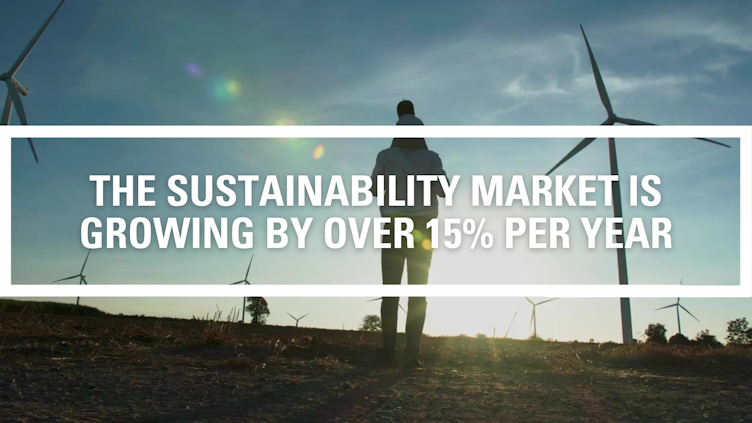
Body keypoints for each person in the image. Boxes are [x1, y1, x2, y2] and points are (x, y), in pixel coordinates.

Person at [370, 100, 446, 368]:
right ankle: (412, 355)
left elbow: (375, 188)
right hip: (423, 229)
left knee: (390, 291)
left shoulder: (385, 156)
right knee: (418, 293)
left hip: (394, 227)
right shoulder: (432, 158)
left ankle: (388, 353)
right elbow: (443, 190)